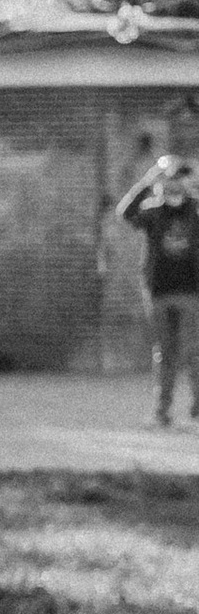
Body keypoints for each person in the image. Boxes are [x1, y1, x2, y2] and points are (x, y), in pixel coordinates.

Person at [118, 151, 199, 423]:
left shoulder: (195, 210)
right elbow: (125, 212)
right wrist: (148, 180)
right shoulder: (152, 212)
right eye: (169, 177)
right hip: (159, 293)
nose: (174, 182)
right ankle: (162, 411)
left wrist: (194, 181)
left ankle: (197, 408)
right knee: (165, 354)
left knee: (194, 352)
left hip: (191, 292)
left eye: (178, 177)